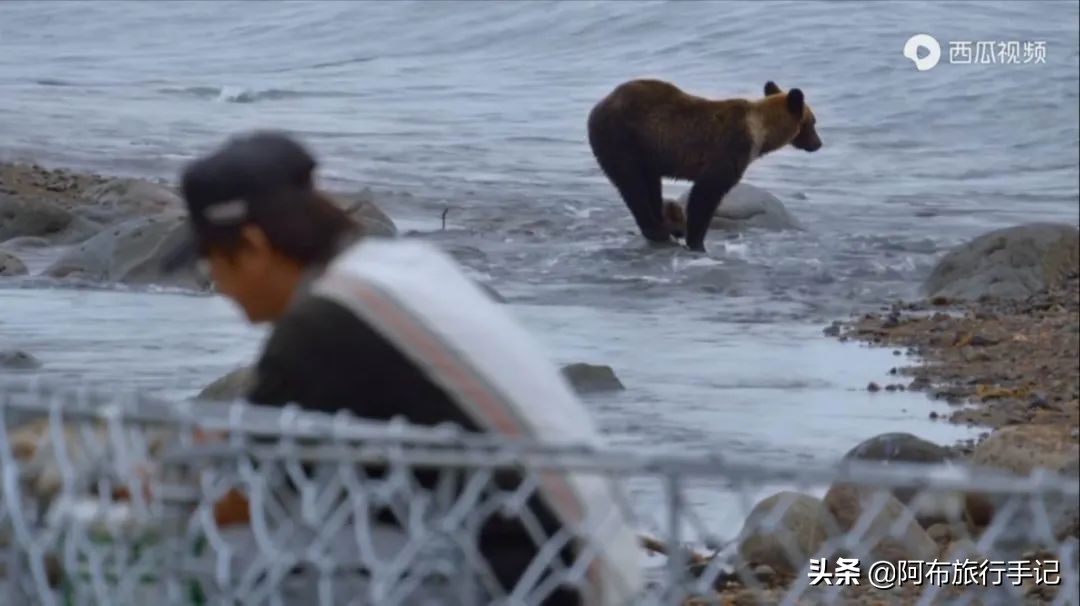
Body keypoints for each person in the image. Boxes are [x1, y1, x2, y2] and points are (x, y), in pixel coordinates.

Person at [161, 131, 642, 605]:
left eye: (210, 263)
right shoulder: (401, 269)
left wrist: (146, 490)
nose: (218, 286)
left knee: (231, 551)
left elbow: (244, 500)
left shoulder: (320, 325)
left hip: (537, 583)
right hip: (597, 561)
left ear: (252, 247)